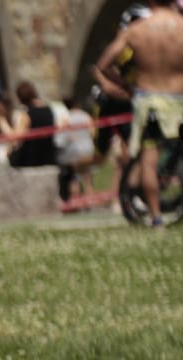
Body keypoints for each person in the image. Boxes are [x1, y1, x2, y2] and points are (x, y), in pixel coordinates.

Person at [96, 0, 183, 227]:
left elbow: (103, 64)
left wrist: (125, 85)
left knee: (148, 161)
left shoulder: (137, 30)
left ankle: (156, 218)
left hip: (149, 98)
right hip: (179, 96)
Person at [6, 81, 57, 168]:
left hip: (31, 158)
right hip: (48, 156)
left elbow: (17, 137)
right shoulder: (49, 110)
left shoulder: (28, 115)